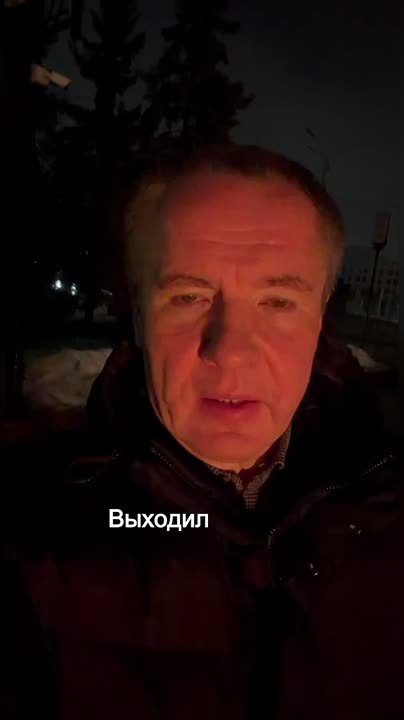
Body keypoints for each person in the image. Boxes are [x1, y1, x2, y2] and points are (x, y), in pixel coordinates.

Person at [1, 144, 402, 720]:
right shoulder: (28, 545)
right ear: (138, 315)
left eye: (278, 301)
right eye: (188, 297)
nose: (230, 351)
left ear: (320, 319)